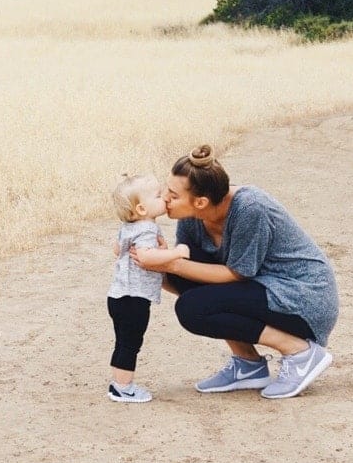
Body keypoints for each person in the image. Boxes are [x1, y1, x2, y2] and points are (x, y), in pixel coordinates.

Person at [132, 145, 338, 399]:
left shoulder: (250, 208)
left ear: (201, 201)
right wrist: (154, 263)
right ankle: (248, 364)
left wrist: (171, 264)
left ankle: (300, 352)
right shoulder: (192, 217)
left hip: (303, 296)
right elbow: (184, 272)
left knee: (191, 308)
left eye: (173, 195)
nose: (164, 198)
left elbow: (238, 274)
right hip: (262, 289)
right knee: (180, 271)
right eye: (166, 190)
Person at [106, 173, 190, 403]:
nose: (164, 196)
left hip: (117, 295)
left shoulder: (128, 227)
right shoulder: (147, 229)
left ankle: (118, 384)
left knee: (123, 341)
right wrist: (176, 252)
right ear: (142, 209)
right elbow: (146, 256)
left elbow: (117, 249)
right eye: (157, 195)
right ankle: (123, 388)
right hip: (134, 298)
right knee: (131, 343)